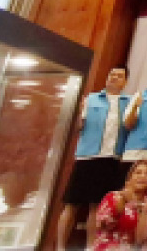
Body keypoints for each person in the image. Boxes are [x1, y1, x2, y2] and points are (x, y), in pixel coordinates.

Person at [58, 66, 131, 251]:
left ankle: (91, 247)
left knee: (97, 206)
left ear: (125, 81)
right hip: (87, 157)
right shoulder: (90, 99)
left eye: (120, 76)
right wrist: (79, 116)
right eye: (112, 74)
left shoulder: (129, 102)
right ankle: (59, 247)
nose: (115, 78)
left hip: (112, 158)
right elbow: (78, 127)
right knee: (71, 204)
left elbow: (131, 125)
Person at [93, 160, 147, 251]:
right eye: (138, 173)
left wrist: (145, 211)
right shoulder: (113, 196)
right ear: (130, 178)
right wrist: (121, 203)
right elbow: (102, 225)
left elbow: (140, 239)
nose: (142, 176)